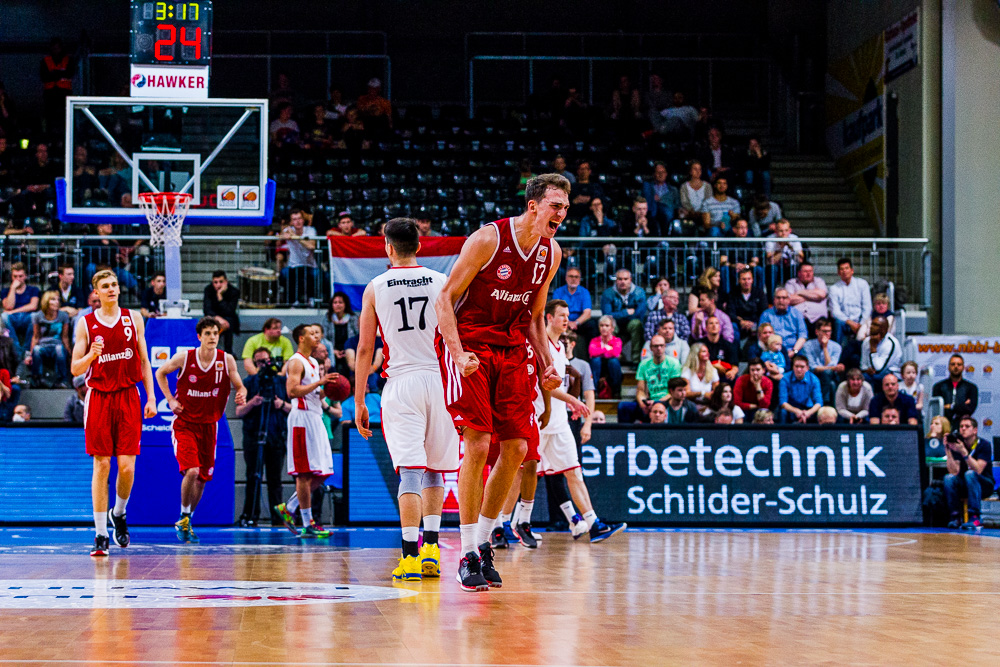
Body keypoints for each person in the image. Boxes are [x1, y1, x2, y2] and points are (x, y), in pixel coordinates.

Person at [433, 173, 566, 592]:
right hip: (471, 343)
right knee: (477, 443)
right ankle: (467, 551)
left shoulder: (552, 253)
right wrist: (456, 352)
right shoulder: (488, 240)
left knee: (518, 447)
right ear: (533, 206)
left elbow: (534, 317)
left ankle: (484, 542)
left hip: (511, 349)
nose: (561, 214)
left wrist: (547, 361)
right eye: (555, 206)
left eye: (565, 207)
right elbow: (444, 299)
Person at [352, 218, 459, 582]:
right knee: (434, 470)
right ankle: (432, 550)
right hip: (440, 381)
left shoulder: (375, 287)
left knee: (410, 472)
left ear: (388, 247)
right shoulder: (441, 282)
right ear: (419, 245)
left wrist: (359, 400)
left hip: (401, 382)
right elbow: (455, 334)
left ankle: (410, 557)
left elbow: (366, 348)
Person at [70, 269, 157, 558]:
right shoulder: (85, 323)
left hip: (128, 395)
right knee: (102, 465)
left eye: (114, 285)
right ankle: (99, 534)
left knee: (128, 467)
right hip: (98, 397)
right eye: (105, 286)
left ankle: (118, 512)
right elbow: (75, 369)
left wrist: (152, 396)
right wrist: (91, 356)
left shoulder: (134, 318)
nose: (111, 289)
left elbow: (145, 360)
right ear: (96, 292)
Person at [155, 318, 247, 542]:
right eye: (208, 333)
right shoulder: (184, 357)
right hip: (185, 424)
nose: (213, 337)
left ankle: (187, 519)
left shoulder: (226, 359)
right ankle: (183, 517)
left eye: (215, 333)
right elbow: (160, 373)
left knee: (202, 478)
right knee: (193, 471)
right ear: (199, 337)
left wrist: (242, 391)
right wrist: (169, 399)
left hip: (210, 426)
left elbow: (238, 382)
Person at [537, 301, 622, 544]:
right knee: (521, 476)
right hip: (539, 418)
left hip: (559, 421)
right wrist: (574, 401)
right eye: (561, 315)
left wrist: (570, 404)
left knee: (574, 471)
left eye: (568, 315)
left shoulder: (560, 348)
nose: (566, 319)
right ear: (549, 318)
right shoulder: (541, 345)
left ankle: (593, 523)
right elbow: (545, 386)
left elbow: (563, 383)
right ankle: (500, 525)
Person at [274, 324, 339, 538]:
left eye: (317, 333)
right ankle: (307, 523)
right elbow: (291, 391)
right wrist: (320, 382)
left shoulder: (313, 362)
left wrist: (327, 388)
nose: (316, 336)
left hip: (315, 417)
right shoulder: (296, 361)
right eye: (312, 333)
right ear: (301, 338)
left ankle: (290, 507)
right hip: (301, 419)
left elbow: (313, 393)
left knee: (323, 471)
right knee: (304, 472)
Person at [235, 347, 291, 527]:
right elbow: (239, 411)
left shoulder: (282, 382)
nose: (263, 365)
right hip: (253, 436)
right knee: (253, 476)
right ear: (254, 363)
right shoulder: (248, 383)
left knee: (275, 479)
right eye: (259, 362)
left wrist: (280, 404)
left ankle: (278, 518)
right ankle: (250, 515)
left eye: (266, 361)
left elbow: (294, 409)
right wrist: (253, 402)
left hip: (276, 436)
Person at [943, 417, 994, 531]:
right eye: (961, 426)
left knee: (970, 474)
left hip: (984, 484)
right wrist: (948, 450)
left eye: (967, 426)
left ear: (975, 430)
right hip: (966, 485)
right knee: (948, 478)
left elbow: (978, 469)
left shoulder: (984, 444)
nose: (963, 429)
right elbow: (954, 471)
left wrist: (964, 453)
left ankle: (975, 517)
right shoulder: (958, 445)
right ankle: (955, 517)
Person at [617, 334, 682, 424]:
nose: (659, 348)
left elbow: (674, 392)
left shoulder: (674, 363)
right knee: (623, 407)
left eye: (661, 346)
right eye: (656, 346)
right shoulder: (644, 364)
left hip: (667, 401)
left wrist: (656, 402)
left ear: (665, 346)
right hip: (649, 402)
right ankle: (624, 436)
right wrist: (642, 403)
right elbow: (640, 390)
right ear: (651, 348)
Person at [26, 290, 72, 387]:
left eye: (58, 300)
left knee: (60, 350)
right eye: (53, 299)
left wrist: (70, 353)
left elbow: (65, 337)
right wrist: (30, 354)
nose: (57, 302)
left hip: (57, 344)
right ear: (46, 301)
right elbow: (36, 336)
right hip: (43, 345)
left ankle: (62, 380)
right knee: (37, 350)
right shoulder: (37, 316)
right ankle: (37, 379)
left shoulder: (63, 316)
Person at [600, 269, 646, 365]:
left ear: (630, 280)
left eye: (625, 279)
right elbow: (607, 315)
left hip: (631, 323)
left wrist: (617, 315)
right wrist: (626, 312)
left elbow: (639, 315)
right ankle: (612, 358)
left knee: (637, 324)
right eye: (620, 279)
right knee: (607, 325)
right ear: (616, 280)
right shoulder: (608, 293)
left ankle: (636, 361)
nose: (623, 282)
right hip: (615, 323)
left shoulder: (639, 292)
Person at [552, 267, 596, 356]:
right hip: (562, 321)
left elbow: (587, 313)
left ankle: (591, 356)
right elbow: (556, 311)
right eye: (571, 276)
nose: (573, 279)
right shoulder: (558, 292)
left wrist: (576, 323)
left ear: (580, 279)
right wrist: (567, 323)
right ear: (566, 278)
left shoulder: (584, 292)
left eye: (576, 277)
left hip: (578, 324)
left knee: (592, 325)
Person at [827, 258, 872, 346]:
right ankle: (837, 353)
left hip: (860, 320)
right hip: (844, 322)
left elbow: (867, 307)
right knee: (838, 323)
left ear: (852, 270)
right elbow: (835, 312)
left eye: (846, 268)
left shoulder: (862, 284)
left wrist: (861, 323)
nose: (844, 271)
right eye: (841, 269)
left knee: (868, 324)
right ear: (838, 272)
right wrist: (850, 322)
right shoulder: (834, 288)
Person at [280, 209, 319, 305]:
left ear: (303, 220)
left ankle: (312, 299)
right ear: (291, 222)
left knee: (316, 274)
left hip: (310, 264)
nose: (297, 221)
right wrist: (284, 234)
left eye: (299, 219)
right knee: (287, 274)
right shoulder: (288, 230)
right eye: (294, 219)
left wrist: (296, 237)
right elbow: (281, 236)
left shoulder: (310, 230)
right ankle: (293, 301)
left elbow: (311, 246)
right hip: (294, 264)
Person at [801, 318, 844, 405]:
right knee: (829, 380)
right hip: (812, 375)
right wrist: (832, 367)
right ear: (817, 332)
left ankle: (822, 404)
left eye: (829, 331)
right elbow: (813, 367)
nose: (827, 334)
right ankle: (824, 404)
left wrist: (825, 347)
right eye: (824, 331)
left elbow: (830, 368)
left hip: (829, 376)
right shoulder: (807, 345)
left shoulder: (836, 347)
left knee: (829, 378)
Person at [759, 288, 808, 358]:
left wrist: (794, 351)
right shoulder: (766, 314)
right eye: (778, 298)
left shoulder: (796, 314)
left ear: (789, 300)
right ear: (774, 300)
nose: (781, 300)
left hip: (795, 351)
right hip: (773, 352)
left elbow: (803, 335)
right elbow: (762, 336)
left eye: (784, 298)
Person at [2, 262, 40, 349]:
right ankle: (16, 348)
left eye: (20, 276)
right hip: (13, 318)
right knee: (4, 316)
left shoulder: (33, 290)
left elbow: (33, 306)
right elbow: (8, 307)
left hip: (27, 317)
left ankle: (27, 349)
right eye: (15, 276)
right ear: (11, 276)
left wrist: (13, 311)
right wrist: (13, 288)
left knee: (34, 316)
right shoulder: (5, 291)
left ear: (25, 276)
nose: (18, 279)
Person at [932, 354, 979, 424]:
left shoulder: (971, 388)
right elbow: (937, 409)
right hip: (943, 425)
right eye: (953, 364)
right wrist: (962, 405)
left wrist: (950, 406)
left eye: (959, 364)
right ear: (948, 367)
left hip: (963, 426)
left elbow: (970, 409)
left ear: (963, 367)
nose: (956, 367)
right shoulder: (938, 387)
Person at [203, 270, 240, 354]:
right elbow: (207, 309)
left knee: (228, 322)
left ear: (226, 281)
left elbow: (229, 311)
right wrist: (217, 318)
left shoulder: (234, 291)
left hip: (228, 319)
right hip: (213, 317)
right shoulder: (208, 290)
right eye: (215, 282)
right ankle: (208, 351)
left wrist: (220, 296)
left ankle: (228, 351)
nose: (218, 285)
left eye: (221, 282)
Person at [784, 262, 828, 333]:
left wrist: (799, 292)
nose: (808, 274)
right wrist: (813, 296)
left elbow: (822, 294)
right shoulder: (791, 283)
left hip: (818, 318)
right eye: (805, 271)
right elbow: (789, 299)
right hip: (797, 318)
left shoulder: (819, 281)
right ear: (799, 273)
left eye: (810, 271)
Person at [778, 355, 822, 424]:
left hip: (808, 409)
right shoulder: (785, 379)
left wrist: (808, 413)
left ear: (807, 368)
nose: (799, 369)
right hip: (791, 409)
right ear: (793, 367)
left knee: (820, 412)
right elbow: (783, 402)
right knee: (783, 412)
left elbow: (818, 402)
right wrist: (796, 411)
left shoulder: (814, 379)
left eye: (802, 367)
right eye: (796, 366)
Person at [693, 315, 739, 382]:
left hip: (723, 376)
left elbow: (735, 366)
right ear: (706, 328)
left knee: (734, 379)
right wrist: (713, 366)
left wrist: (732, 372)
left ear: (720, 327)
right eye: (711, 323)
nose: (714, 325)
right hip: (704, 374)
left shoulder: (727, 345)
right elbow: (694, 364)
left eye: (716, 323)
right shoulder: (700, 345)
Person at [727, 268, 768, 342]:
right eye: (744, 279)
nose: (746, 282)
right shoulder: (733, 293)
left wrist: (753, 323)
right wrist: (741, 322)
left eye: (749, 279)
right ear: (739, 280)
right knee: (732, 326)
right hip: (739, 324)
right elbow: (730, 312)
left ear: (752, 280)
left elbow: (764, 312)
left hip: (756, 323)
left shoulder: (759, 293)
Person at [764, 219, 804, 293]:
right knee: (772, 269)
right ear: (776, 231)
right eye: (781, 231)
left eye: (786, 230)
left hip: (790, 268)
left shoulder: (794, 238)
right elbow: (771, 261)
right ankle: (771, 300)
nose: (784, 233)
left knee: (795, 268)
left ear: (790, 230)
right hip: (776, 268)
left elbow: (800, 259)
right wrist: (781, 248)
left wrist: (790, 247)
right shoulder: (770, 239)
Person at [589, 315, 624, 398]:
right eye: (601, 325)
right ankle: (594, 392)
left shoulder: (617, 340)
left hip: (611, 369)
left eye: (607, 326)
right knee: (595, 361)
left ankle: (616, 391)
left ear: (612, 328)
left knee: (613, 361)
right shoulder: (594, 340)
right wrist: (606, 349)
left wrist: (600, 350)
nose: (604, 328)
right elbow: (592, 353)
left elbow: (615, 353)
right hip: (598, 369)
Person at [860, 317, 901, 385]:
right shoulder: (866, 341)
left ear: (884, 329)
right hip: (871, 374)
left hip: (889, 373)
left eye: (876, 325)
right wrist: (867, 370)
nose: (872, 327)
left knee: (871, 378)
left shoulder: (891, 343)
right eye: (872, 324)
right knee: (860, 377)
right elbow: (862, 365)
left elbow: (879, 369)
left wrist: (873, 349)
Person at [641, 162, 680, 234]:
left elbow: (677, 205)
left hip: (667, 213)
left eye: (663, 172)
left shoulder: (673, 190)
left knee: (665, 211)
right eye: (658, 172)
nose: (661, 174)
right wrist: (653, 198)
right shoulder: (649, 188)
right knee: (646, 186)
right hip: (652, 211)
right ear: (654, 174)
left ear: (666, 174)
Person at [326, 292, 359, 376]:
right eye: (335, 302)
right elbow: (325, 339)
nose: (337, 305)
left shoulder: (353, 318)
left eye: (340, 302)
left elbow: (358, 337)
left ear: (345, 304)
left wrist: (348, 351)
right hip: (333, 352)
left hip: (351, 351)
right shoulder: (327, 319)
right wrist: (334, 351)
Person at [682, 343, 719, 409]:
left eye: (708, 351)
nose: (707, 353)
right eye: (704, 351)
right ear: (696, 354)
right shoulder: (687, 371)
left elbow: (717, 391)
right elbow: (686, 393)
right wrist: (702, 393)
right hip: (691, 404)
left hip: (708, 404)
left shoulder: (713, 371)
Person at [678, 160, 712, 225]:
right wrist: (691, 211)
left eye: (699, 169)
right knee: (682, 213)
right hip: (689, 212)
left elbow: (708, 201)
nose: (698, 171)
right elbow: (684, 202)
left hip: (703, 212)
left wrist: (700, 212)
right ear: (690, 171)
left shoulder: (707, 186)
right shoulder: (684, 186)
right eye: (695, 169)